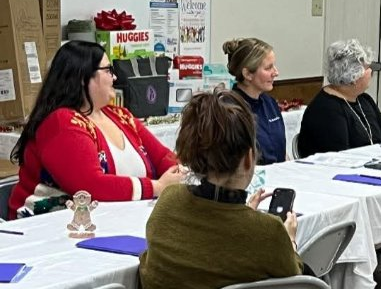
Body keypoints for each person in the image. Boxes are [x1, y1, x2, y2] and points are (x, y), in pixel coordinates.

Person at [139, 90, 302, 288]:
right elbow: (297, 278)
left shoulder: (168, 202)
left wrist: (244, 215)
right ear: (249, 158)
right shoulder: (269, 232)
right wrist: (290, 242)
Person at [7, 41, 181, 220]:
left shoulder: (120, 115)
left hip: (112, 219)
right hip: (48, 225)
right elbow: (90, 186)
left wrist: (179, 173)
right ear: (83, 77)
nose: (115, 77)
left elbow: (162, 157)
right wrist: (157, 187)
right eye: (108, 70)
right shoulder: (61, 122)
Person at [298, 39, 381, 158]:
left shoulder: (365, 100)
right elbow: (340, 156)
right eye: (368, 67)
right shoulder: (326, 110)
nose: (372, 70)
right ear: (353, 77)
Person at [224, 37, 286, 165]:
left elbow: (282, 153)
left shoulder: (270, 103)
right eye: (268, 68)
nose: (276, 73)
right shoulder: (229, 110)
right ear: (247, 74)